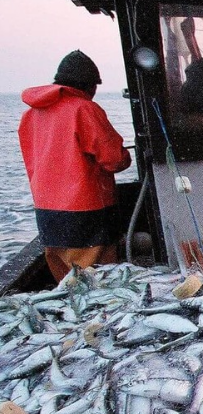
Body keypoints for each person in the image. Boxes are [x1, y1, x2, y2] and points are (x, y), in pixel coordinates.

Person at [18, 50, 132, 282]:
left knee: (68, 286)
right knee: (101, 285)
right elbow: (114, 160)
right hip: (87, 214)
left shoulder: (30, 115)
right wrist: (125, 156)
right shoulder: (84, 109)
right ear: (90, 86)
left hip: (47, 215)